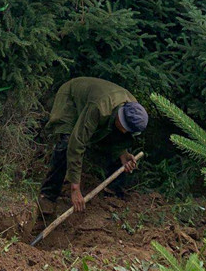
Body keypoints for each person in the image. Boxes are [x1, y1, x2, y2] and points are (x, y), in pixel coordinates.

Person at [38, 77, 148, 215]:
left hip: (97, 104)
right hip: (72, 98)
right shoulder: (99, 108)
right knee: (66, 143)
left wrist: (123, 153)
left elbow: (121, 137)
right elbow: (77, 143)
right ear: (120, 115)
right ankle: (48, 195)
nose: (125, 130)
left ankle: (112, 193)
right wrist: (75, 188)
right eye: (124, 126)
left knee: (117, 134)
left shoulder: (134, 112)